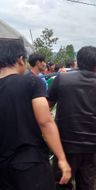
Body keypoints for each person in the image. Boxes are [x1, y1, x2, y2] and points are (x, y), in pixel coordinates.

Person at [0, 39, 71, 189]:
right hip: (29, 163)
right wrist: (62, 159)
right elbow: (45, 122)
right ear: (20, 59)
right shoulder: (31, 82)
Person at [48, 46, 96, 190]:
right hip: (91, 145)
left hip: (66, 144)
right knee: (86, 184)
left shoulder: (62, 79)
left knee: (62, 183)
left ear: (77, 62)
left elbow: (47, 105)